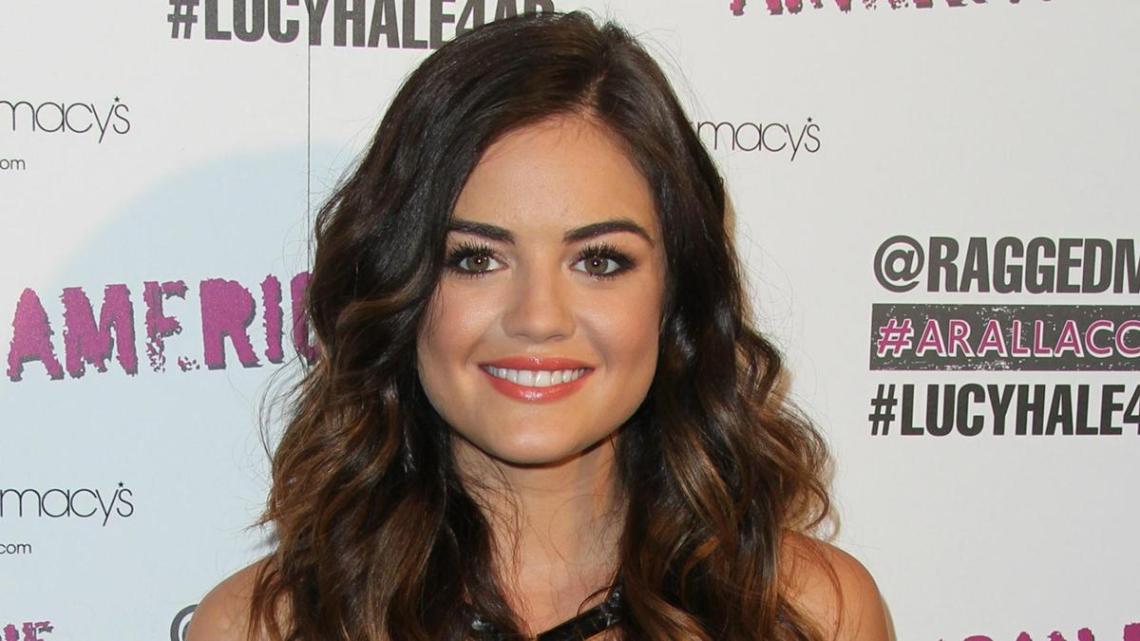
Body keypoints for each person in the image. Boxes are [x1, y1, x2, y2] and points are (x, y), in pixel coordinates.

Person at [188, 10, 891, 641]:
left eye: (600, 260)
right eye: (475, 258)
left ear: (676, 296)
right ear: (399, 287)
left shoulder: (809, 615)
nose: (538, 318)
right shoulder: (261, 628)